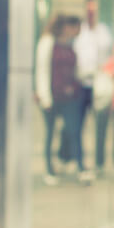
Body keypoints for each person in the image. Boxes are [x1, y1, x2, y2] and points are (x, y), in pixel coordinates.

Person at [35, 14, 86, 186]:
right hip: (52, 95)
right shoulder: (48, 42)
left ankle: (80, 166)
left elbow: (76, 69)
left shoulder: (72, 45)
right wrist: (44, 96)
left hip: (70, 96)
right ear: (65, 27)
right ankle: (49, 169)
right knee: (50, 133)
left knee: (74, 130)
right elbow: (42, 69)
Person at [75, 0, 114, 181]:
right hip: (81, 85)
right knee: (78, 126)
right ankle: (81, 164)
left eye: (94, 12)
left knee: (101, 127)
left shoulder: (104, 33)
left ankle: (99, 163)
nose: (91, 15)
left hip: (100, 85)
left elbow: (111, 55)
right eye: (88, 11)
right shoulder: (79, 33)